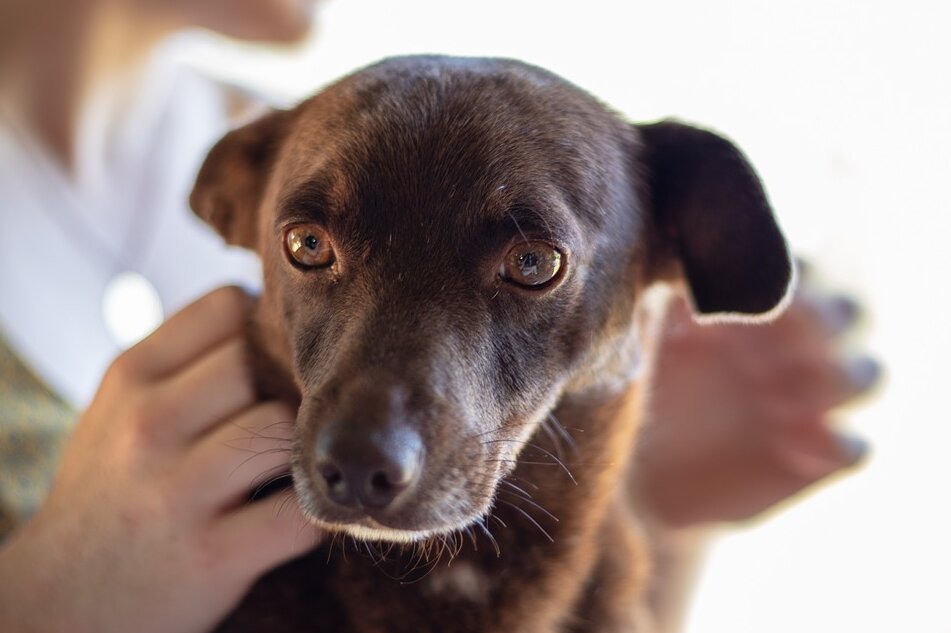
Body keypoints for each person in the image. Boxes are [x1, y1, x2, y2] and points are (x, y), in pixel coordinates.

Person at [0, 1, 878, 631]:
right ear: (239, 210)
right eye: (309, 251)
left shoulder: (304, 140)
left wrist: (654, 507)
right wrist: (53, 602)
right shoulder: (288, 154)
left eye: (531, 263)